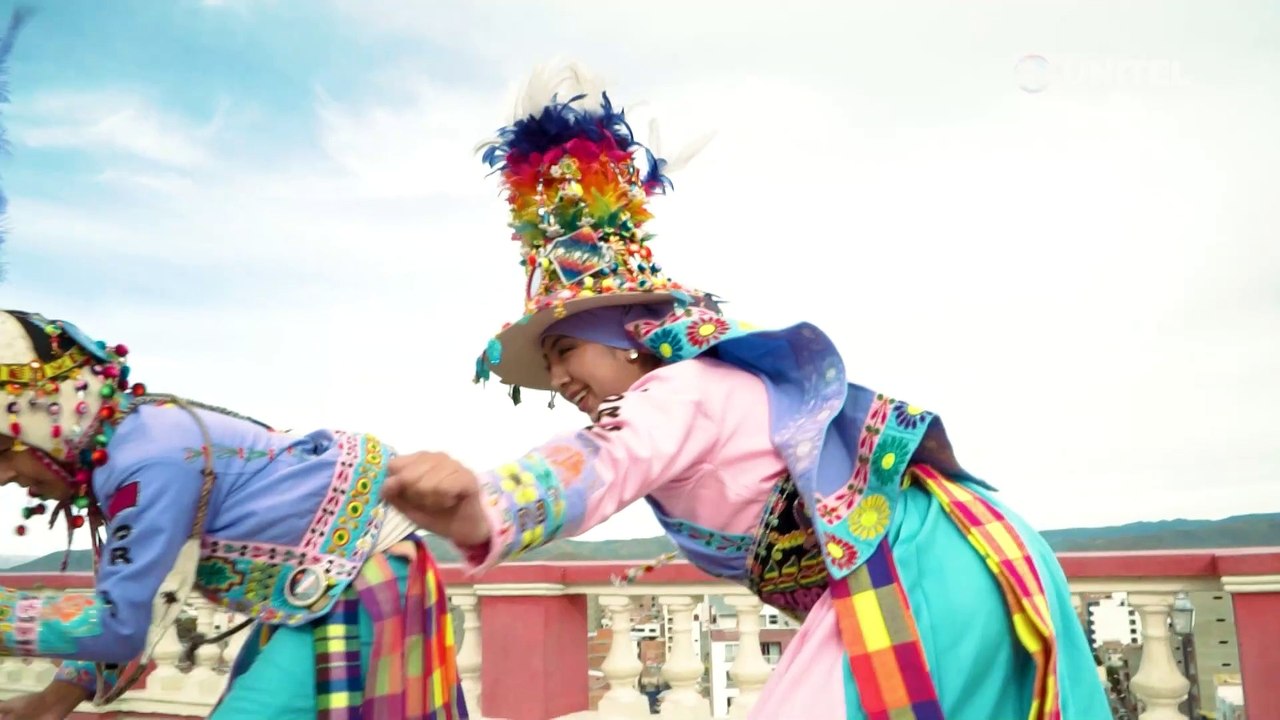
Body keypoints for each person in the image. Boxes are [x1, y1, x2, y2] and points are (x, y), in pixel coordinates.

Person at [381, 62, 1113, 720]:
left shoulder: (679, 392)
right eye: (549, 365)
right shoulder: (701, 392)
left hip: (917, 569)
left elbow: (594, 465)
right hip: (951, 557)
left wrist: (482, 506)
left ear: (630, 336)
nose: (561, 378)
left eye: (567, 348)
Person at [0, 309, 468, 720]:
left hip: (351, 580)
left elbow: (119, 624)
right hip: (317, 588)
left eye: (3, 450)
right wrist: (53, 701)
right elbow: (146, 595)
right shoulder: (140, 438)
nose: (2, 477)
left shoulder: (147, 460)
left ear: (52, 422)